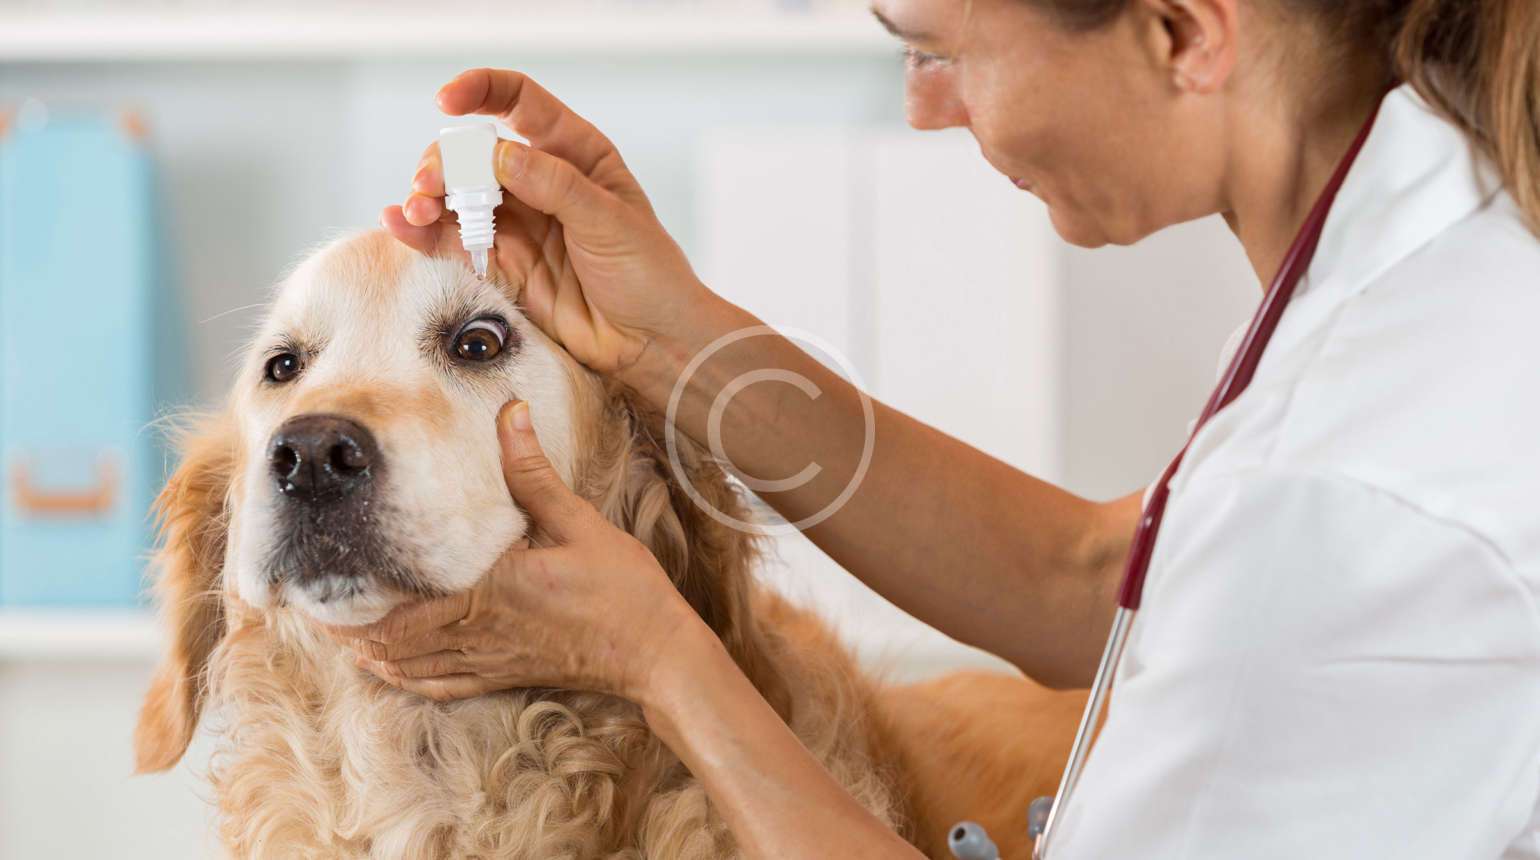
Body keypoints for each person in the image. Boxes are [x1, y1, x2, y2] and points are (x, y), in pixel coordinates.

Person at [338, 0, 1540, 856]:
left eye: (935, 52)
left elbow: (1250, 560)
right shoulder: (1441, 263)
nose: (925, 111)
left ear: (1180, 32)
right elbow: (1090, 580)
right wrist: (668, 339)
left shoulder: (1347, 493)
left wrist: (663, 660)